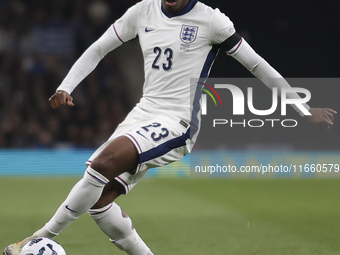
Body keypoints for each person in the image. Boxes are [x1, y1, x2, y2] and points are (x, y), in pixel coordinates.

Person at [4, 0, 336, 254]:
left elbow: (256, 64)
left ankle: (38, 238)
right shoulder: (142, 12)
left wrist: (302, 108)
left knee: (102, 164)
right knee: (99, 200)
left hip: (179, 121)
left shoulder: (212, 21)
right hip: (143, 113)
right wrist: (66, 86)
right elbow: (100, 47)